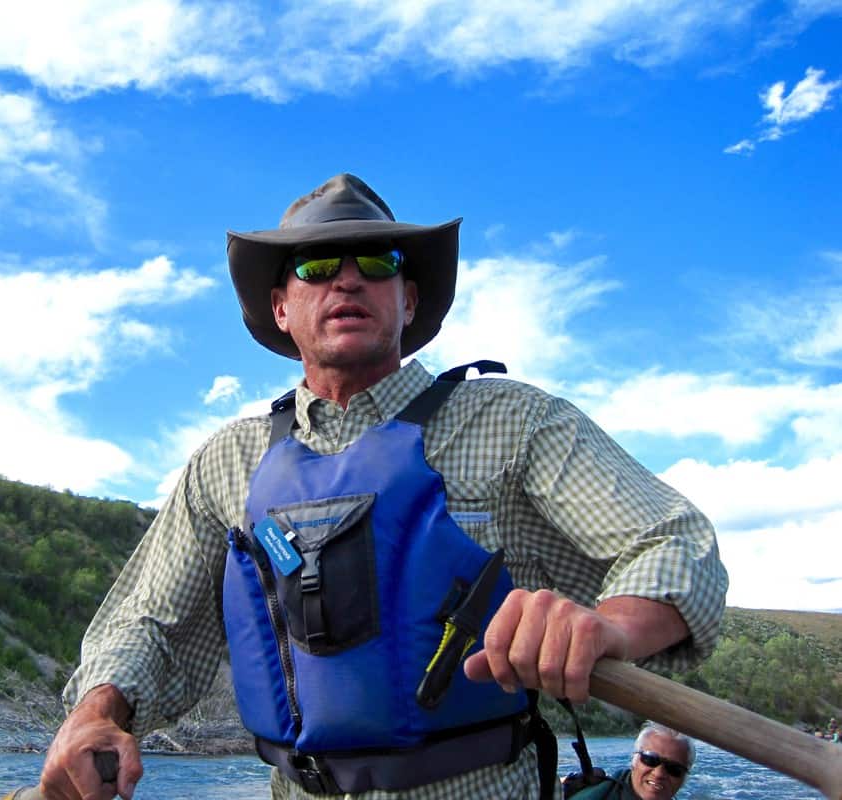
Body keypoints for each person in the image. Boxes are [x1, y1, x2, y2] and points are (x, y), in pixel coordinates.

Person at [38, 173, 729, 800]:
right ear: (282, 307)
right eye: (314, 267)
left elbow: (673, 541)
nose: (346, 282)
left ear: (408, 298)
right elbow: (148, 623)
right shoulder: (226, 461)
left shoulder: (514, 421)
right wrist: (96, 712)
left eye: (375, 263)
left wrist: (607, 625)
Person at [565, 722, 695, 799]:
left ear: (684, 778)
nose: (658, 774)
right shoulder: (595, 794)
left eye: (674, 769)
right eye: (650, 760)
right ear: (634, 760)